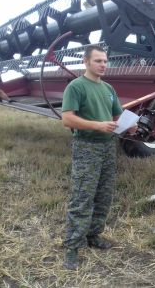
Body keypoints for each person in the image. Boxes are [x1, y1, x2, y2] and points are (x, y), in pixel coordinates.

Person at [61, 45, 132, 270]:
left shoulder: (108, 88)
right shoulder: (76, 87)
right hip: (87, 147)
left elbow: (117, 114)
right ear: (86, 62)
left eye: (105, 61)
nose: (103, 65)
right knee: (82, 196)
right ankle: (72, 246)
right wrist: (98, 125)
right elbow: (67, 119)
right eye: (98, 61)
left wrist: (129, 125)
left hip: (108, 147)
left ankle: (93, 235)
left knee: (104, 195)